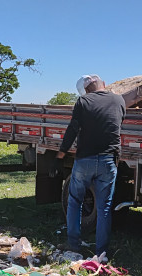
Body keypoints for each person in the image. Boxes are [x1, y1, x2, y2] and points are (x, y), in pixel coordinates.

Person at [54, 74, 126, 257]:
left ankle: (73, 244)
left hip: (85, 160)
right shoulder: (119, 100)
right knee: (104, 208)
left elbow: (73, 129)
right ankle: (101, 252)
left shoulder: (83, 102)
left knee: (74, 201)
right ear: (103, 84)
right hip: (109, 160)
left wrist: (60, 155)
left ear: (86, 91)